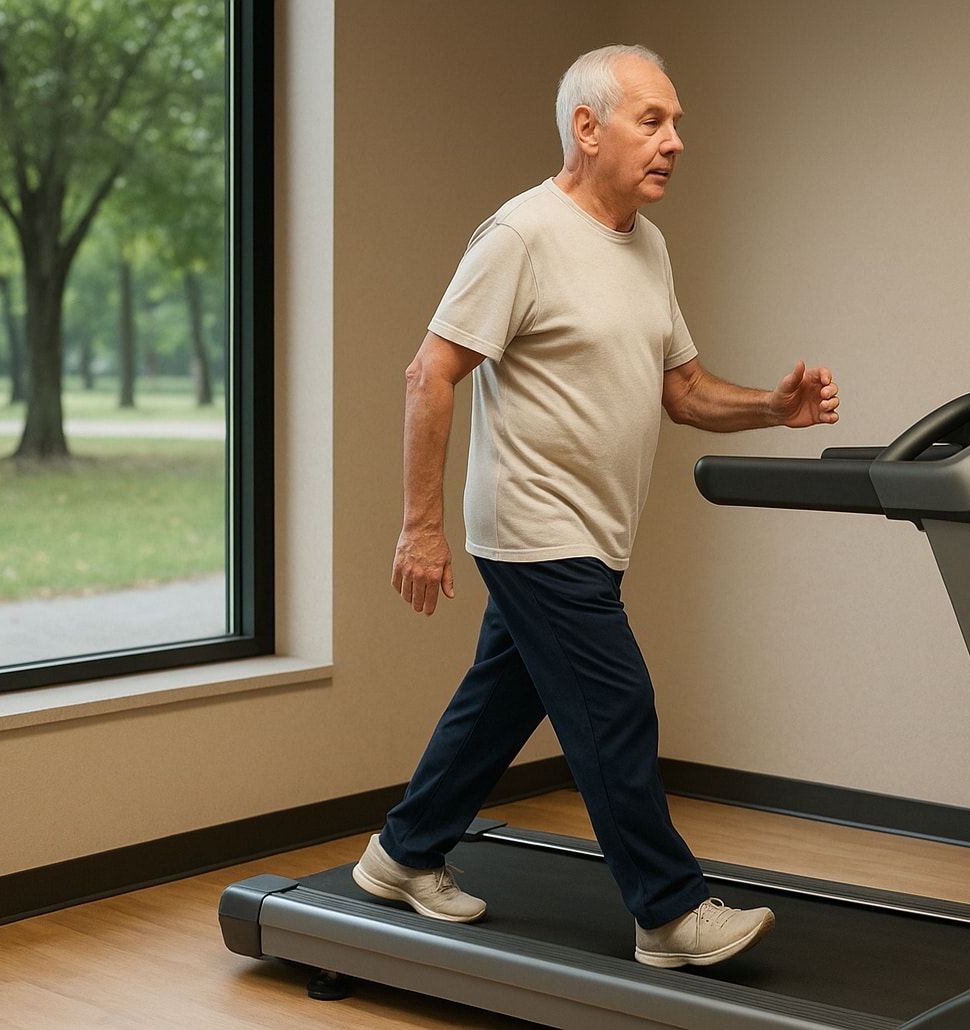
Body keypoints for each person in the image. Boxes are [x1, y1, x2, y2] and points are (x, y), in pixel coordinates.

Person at [352, 43, 839, 969]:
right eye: (653, 121)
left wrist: (773, 409)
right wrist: (421, 527)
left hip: (597, 532)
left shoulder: (646, 246)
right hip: (535, 528)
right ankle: (669, 913)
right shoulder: (522, 236)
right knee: (617, 704)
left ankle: (402, 853)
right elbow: (431, 372)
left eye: (676, 123)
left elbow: (683, 389)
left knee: (500, 703)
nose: (675, 141)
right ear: (587, 127)